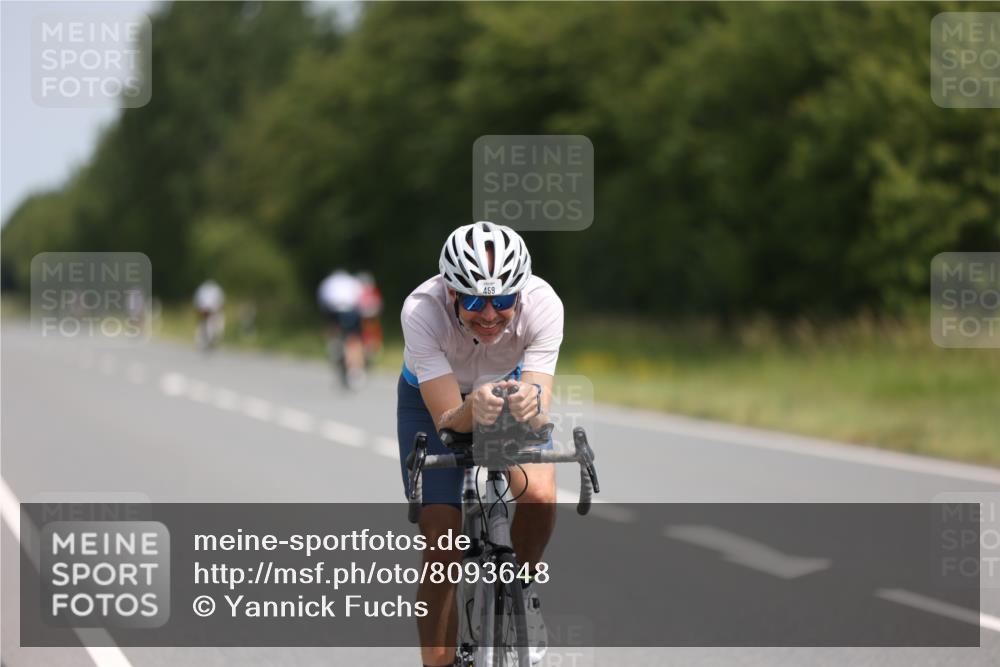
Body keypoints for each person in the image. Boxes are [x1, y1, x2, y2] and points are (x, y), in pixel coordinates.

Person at [397, 221, 563, 667]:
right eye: (473, 300)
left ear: (521, 294)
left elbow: (538, 401)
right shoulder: (420, 310)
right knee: (441, 543)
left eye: (503, 300)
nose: (489, 314)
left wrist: (529, 405)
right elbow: (449, 423)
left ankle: (521, 589)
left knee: (542, 492)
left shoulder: (545, 304)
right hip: (433, 402)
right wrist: (474, 410)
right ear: (450, 292)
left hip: (504, 389)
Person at [317, 269, 365, 388]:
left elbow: (322, 300)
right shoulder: (353, 281)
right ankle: (355, 371)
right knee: (354, 339)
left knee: (332, 325)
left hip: (333, 309)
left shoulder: (328, 281)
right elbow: (361, 298)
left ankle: (334, 343)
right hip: (350, 309)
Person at [357, 271, 384, 365]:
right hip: (369, 316)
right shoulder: (372, 291)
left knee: (367, 334)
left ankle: (369, 350)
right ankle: (368, 350)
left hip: (367, 317)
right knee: (368, 334)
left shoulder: (362, 291)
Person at [192, 279, 225, 350]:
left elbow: (197, 301)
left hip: (211, 309)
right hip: (207, 309)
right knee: (203, 326)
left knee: (214, 325)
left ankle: (211, 340)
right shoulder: (212, 289)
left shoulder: (204, 289)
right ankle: (204, 341)